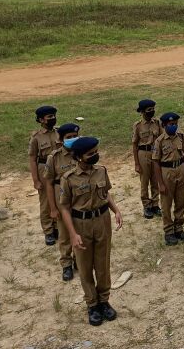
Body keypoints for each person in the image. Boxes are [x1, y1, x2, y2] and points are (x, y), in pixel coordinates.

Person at [58, 136, 123, 327]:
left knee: (103, 264)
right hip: (81, 224)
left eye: (96, 151)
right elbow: (64, 208)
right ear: (79, 157)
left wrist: (116, 210)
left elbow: (106, 193)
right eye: (90, 154)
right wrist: (72, 234)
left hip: (102, 220)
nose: (95, 155)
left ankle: (104, 300)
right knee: (85, 267)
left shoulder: (101, 171)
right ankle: (92, 304)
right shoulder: (68, 179)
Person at [44, 122, 80, 281]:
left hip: (79, 198)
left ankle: (79, 260)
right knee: (64, 233)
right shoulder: (54, 157)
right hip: (62, 198)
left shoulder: (81, 152)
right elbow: (49, 184)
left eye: (75, 136)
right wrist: (53, 208)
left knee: (79, 228)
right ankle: (66, 264)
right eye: (69, 137)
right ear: (61, 139)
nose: (73, 139)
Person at [152, 112, 184, 246]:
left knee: (181, 201)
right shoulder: (159, 141)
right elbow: (156, 162)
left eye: (175, 123)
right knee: (166, 204)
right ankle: (169, 231)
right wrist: (160, 184)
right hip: (166, 172)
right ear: (164, 125)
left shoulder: (180, 137)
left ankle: (179, 228)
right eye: (170, 124)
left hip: (180, 169)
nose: (173, 126)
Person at [29, 105, 61, 245]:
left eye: (54, 116)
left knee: (59, 198)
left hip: (58, 167)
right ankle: (48, 231)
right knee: (46, 202)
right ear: (41, 120)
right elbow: (32, 159)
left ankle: (57, 227)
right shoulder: (36, 138)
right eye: (50, 117)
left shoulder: (59, 132)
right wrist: (36, 180)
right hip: (44, 169)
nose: (53, 118)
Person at [131, 99, 161, 219]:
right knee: (144, 181)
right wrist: (137, 163)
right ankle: (146, 206)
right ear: (142, 111)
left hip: (155, 153)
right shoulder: (138, 125)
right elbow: (134, 145)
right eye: (149, 110)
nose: (152, 111)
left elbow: (161, 138)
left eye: (153, 109)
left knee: (155, 180)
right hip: (143, 154)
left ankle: (155, 204)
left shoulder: (157, 123)